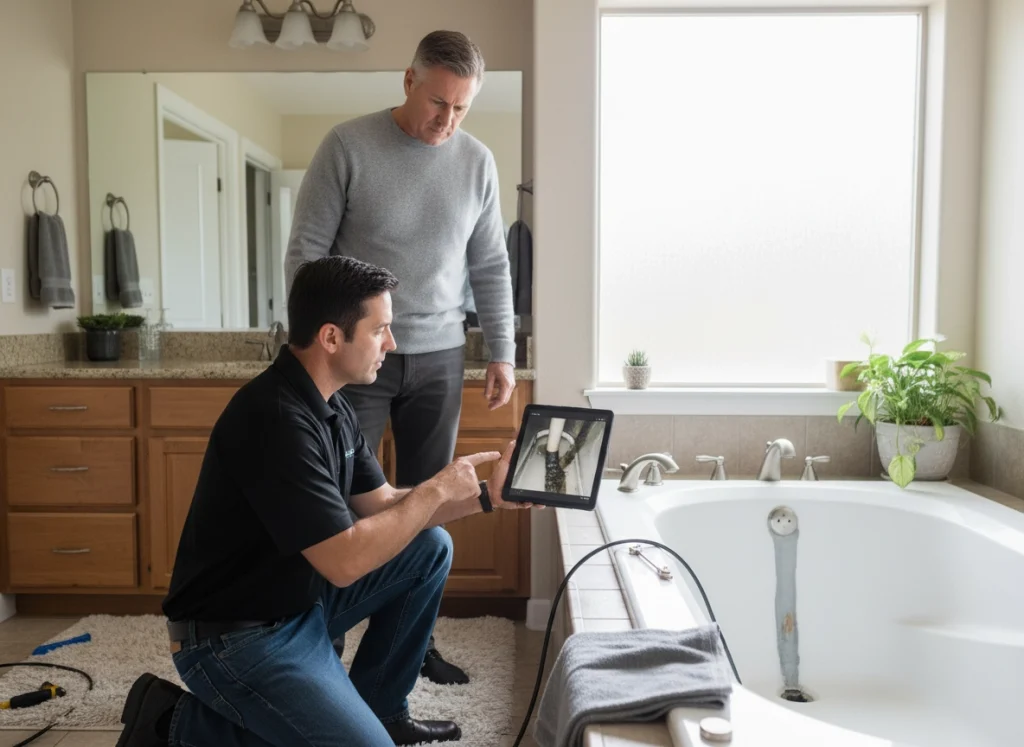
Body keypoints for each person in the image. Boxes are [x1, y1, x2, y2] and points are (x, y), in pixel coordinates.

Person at [115, 256, 533, 747]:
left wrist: (488, 497)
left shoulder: (332, 404)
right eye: (380, 330)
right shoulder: (275, 419)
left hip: (296, 607)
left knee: (429, 546)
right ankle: (171, 722)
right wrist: (439, 487)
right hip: (232, 638)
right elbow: (345, 561)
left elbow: (384, 505)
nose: (392, 344)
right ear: (332, 338)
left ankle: (384, 712)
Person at [283, 29, 517, 686]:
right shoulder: (348, 146)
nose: (447, 120)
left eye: (461, 108)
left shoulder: (477, 162)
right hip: (359, 360)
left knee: (430, 503)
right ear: (409, 80)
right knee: (337, 505)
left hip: (440, 356)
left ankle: (410, 644)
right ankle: (318, 643)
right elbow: (306, 253)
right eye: (438, 102)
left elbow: (491, 264)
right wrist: (322, 347)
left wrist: (502, 350)